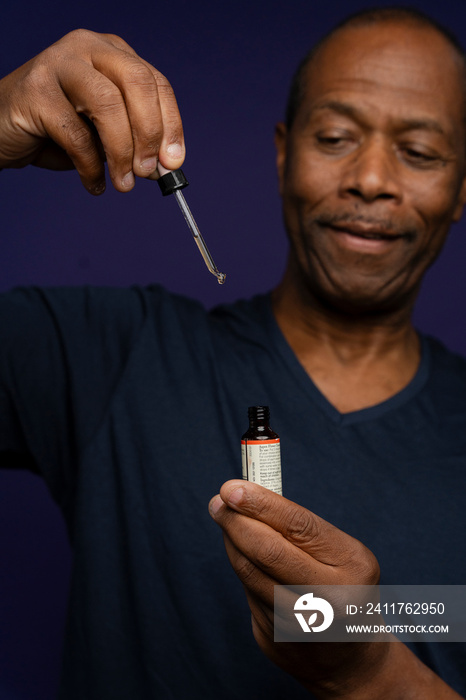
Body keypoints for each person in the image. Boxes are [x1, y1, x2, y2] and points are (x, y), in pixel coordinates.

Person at [1, 6, 466, 698]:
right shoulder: (114, 356)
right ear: (284, 154)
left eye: (420, 152)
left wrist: (371, 671)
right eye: (335, 137)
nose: (371, 179)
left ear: (462, 186)